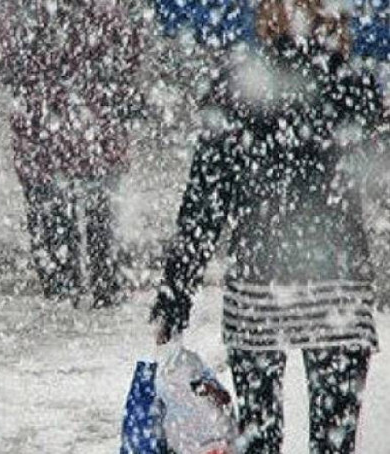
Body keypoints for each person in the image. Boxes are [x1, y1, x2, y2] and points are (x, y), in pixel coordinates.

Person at [150, 0, 387, 452]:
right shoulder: (355, 86)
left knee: (259, 437)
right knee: (334, 443)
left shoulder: (238, 86)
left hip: (260, 285)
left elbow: (205, 201)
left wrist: (175, 293)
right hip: (338, 288)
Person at [0, 0, 147, 308]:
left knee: (55, 226)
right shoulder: (105, 11)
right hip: (92, 130)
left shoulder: (20, 11)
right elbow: (130, 57)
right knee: (98, 219)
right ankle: (100, 291)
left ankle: (68, 295)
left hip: (45, 132)